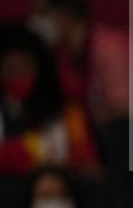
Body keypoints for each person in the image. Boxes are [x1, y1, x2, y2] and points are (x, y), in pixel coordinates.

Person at [27, 0, 133, 130]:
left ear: (65, 14)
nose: (34, 22)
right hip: (117, 136)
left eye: (41, 13)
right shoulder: (66, 58)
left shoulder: (108, 47)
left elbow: (120, 108)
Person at [0, 24, 97, 175]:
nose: (18, 75)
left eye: (25, 67)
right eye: (12, 68)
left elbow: (90, 166)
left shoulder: (69, 112)